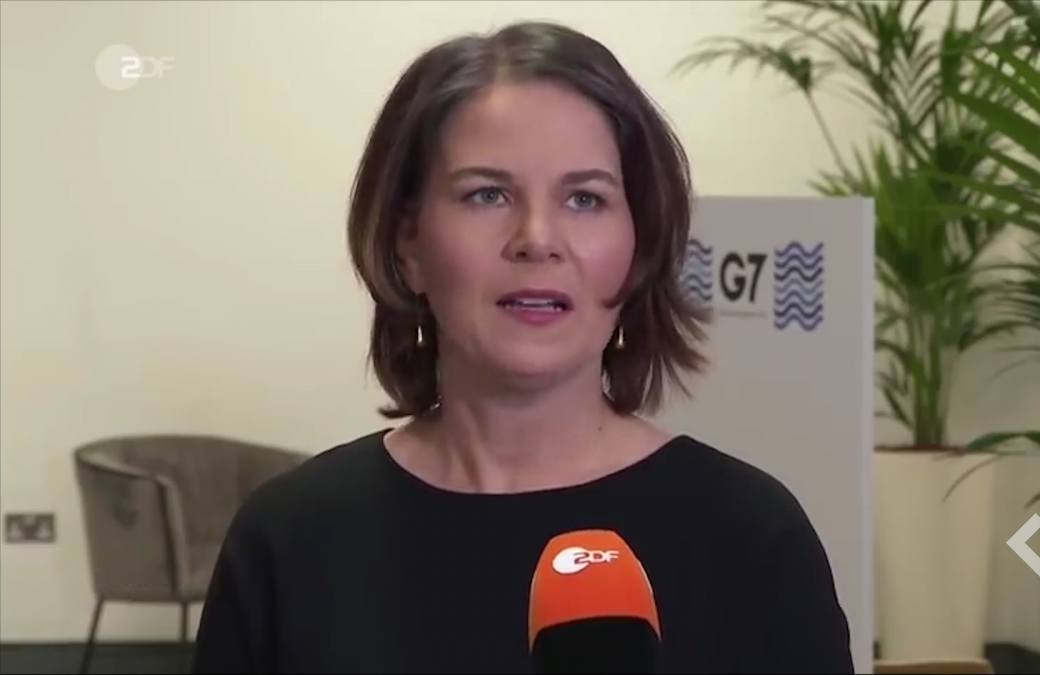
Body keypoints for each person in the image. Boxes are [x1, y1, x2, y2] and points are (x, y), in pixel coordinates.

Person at [191, 20, 853, 675]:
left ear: (640, 244)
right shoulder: (291, 540)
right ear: (408, 242)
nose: (537, 238)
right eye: (487, 194)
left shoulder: (751, 536)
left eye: (585, 198)